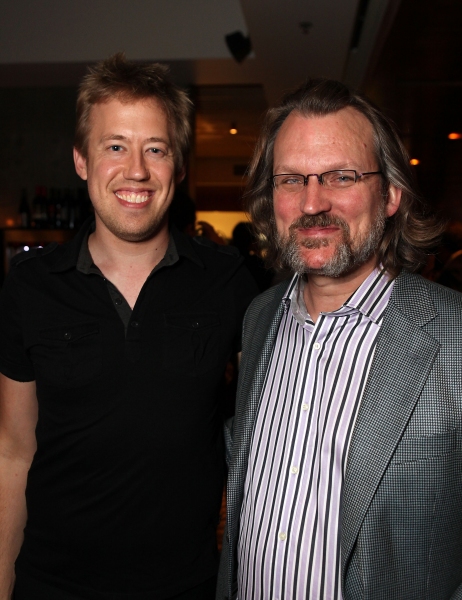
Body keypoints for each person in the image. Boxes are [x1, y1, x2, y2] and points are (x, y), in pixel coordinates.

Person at [0, 53, 257, 600]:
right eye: (115, 145)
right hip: (52, 586)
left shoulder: (229, 282)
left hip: (188, 586)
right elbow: (14, 452)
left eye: (155, 149)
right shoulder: (30, 287)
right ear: (81, 160)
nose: (136, 170)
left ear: (178, 166)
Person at [217, 78, 462, 600]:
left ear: (391, 193)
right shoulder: (259, 319)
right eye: (290, 180)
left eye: (341, 176)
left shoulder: (454, 336)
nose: (312, 203)